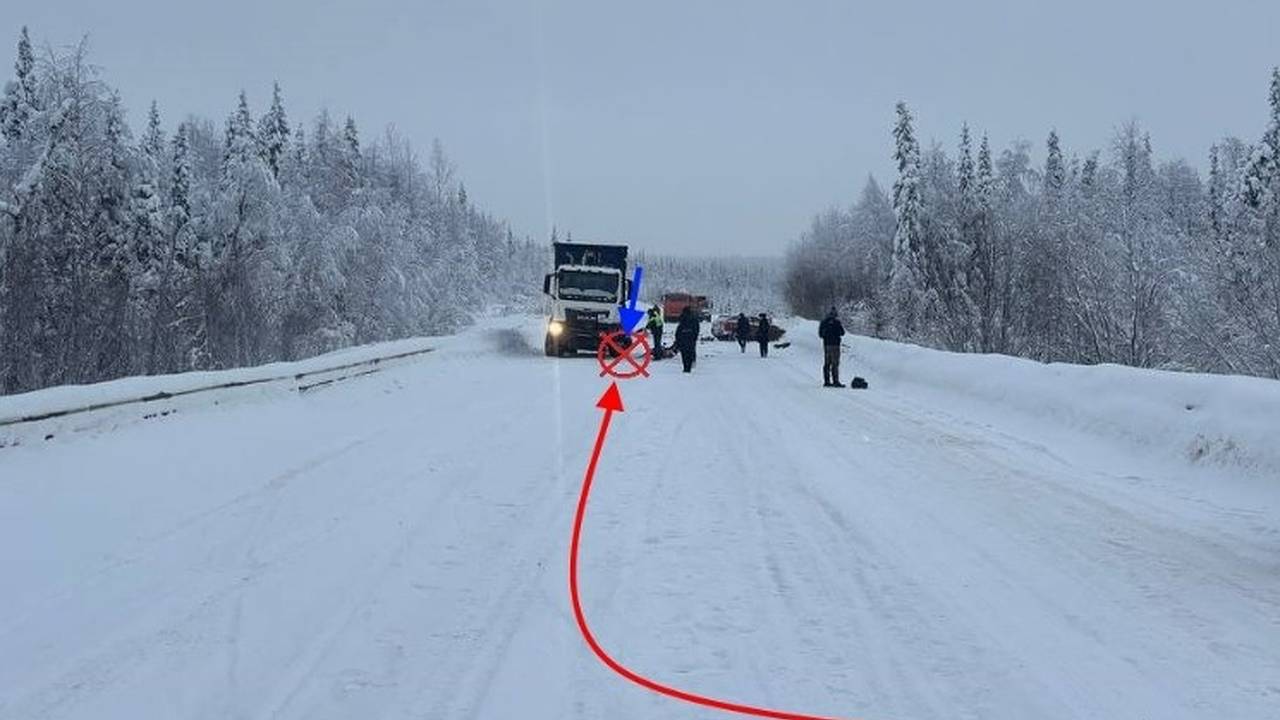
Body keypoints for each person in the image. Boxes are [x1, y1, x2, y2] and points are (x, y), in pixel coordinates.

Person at [818, 307, 846, 387]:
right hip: (835, 345)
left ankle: (827, 381)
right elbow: (842, 333)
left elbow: (820, 334)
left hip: (826, 345)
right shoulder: (837, 322)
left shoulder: (824, 322)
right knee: (835, 363)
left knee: (827, 363)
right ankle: (835, 381)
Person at [673, 306, 700, 373]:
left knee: (684, 353)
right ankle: (689, 366)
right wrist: (695, 336)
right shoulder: (694, 318)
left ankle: (685, 367)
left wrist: (677, 339)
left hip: (683, 338)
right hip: (691, 338)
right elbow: (697, 328)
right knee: (690, 352)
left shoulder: (682, 317)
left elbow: (679, 329)